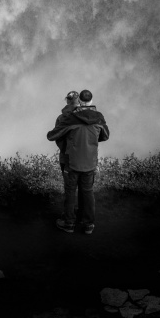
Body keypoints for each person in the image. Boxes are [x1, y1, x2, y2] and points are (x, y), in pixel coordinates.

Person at [46, 89, 109, 234]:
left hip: (71, 161)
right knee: (87, 192)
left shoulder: (70, 118)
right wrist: (91, 140)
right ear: (91, 101)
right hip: (90, 162)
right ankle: (88, 225)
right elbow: (105, 136)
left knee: (70, 192)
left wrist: (67, 143)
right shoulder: (99, 117)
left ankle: (69, 223)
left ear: (79, 101)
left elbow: (52, 136)